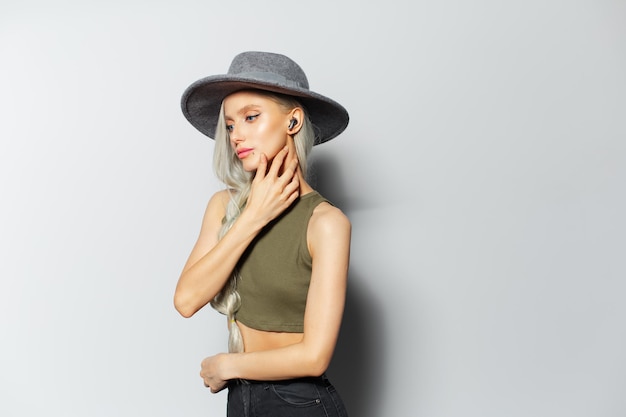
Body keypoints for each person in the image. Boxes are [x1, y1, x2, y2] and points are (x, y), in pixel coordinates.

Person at [174, 51, 351, 417]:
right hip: (241, 402)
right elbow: (186, 300)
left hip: (301, 404)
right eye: (229, 125)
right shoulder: (225, 207)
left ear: (293, 121)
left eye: (251, 117)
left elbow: (315, 357)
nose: (236, 135)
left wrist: (227, 366)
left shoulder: (326, 223)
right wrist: (253, 216)